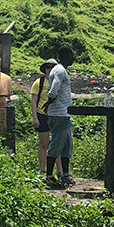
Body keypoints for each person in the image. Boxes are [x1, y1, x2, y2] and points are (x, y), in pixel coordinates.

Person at [44, 46, 75, 188]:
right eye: (72, 55)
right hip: (58, 114)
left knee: (67, 147)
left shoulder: (61, 70)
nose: (73, 58)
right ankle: (49, 176)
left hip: (64, 114)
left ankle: (65, 176)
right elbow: (53, 89)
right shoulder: (60, 70)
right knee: (56, 145)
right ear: (66, 56)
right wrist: (48, 103)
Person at [30, 59, 58, 175]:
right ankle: (42, 170)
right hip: (42, 115)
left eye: (52, 67)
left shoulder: (58, 81)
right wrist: (35, 118)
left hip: (56, 115)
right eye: (48, 67)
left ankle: (59, 172)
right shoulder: (39, 82)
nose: (50, 69)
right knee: (44, 144)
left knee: (57, 144)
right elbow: (33, 101)